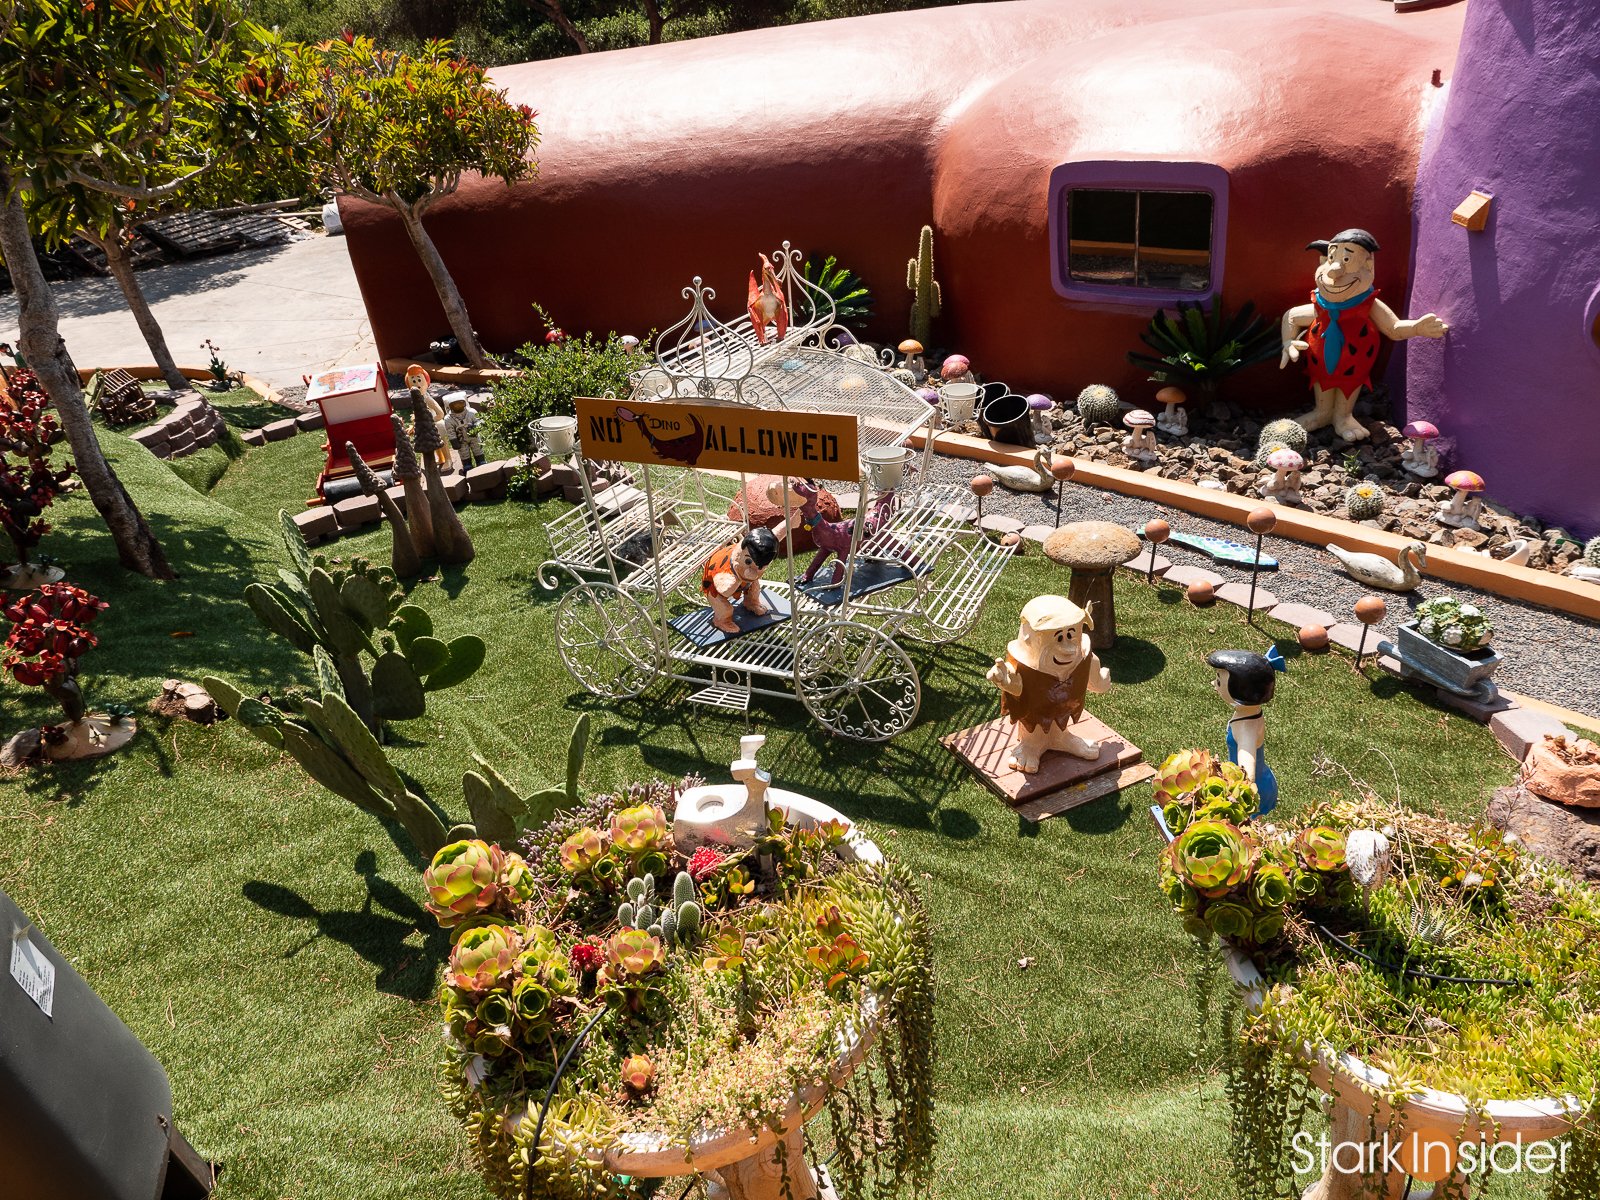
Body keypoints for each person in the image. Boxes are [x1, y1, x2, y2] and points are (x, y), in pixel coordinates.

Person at [1206, 647, 1287, 815]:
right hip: (1264, 777)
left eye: (1219, 681)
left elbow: (1247, 773)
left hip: (1255, 790)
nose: (1214, 684)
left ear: (1240, 690)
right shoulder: (1251, 714)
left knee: (1249, 831)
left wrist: (1237, 795)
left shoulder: (1246, 729)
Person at [701, 528, 778, 634]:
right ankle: (721, 620)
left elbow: (777, 535)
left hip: (743, 581)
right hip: (714, 586)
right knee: (726, 609)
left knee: (754, 587)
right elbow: (725, 591)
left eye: (762, 567)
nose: (756, 571)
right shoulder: (728, 569)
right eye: (748, 561)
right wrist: (738, 576)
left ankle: (751, 602)